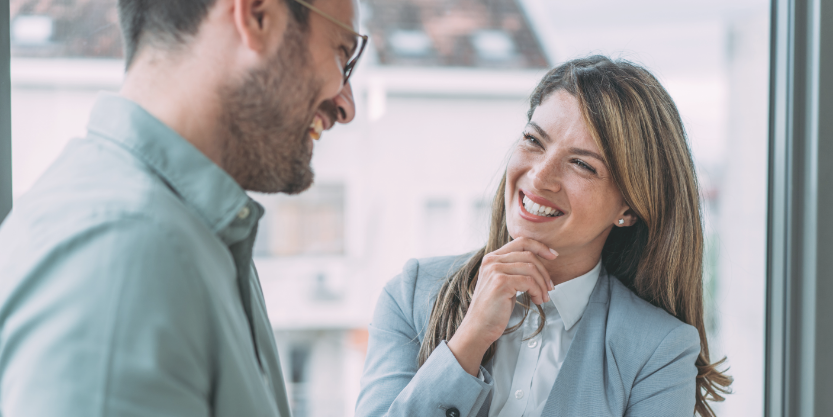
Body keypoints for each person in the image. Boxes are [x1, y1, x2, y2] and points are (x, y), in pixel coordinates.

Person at [0, 0, 366, 415]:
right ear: (256, 16)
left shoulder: (198, 236)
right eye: (342, 53)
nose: (346, 106)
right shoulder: (125, 256)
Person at [356, 56, 733, 417]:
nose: (539, 176)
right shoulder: (411, 295)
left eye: (582, 164)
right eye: (534, 140)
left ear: (629, 208)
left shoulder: (659, 350)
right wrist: (468, 341)